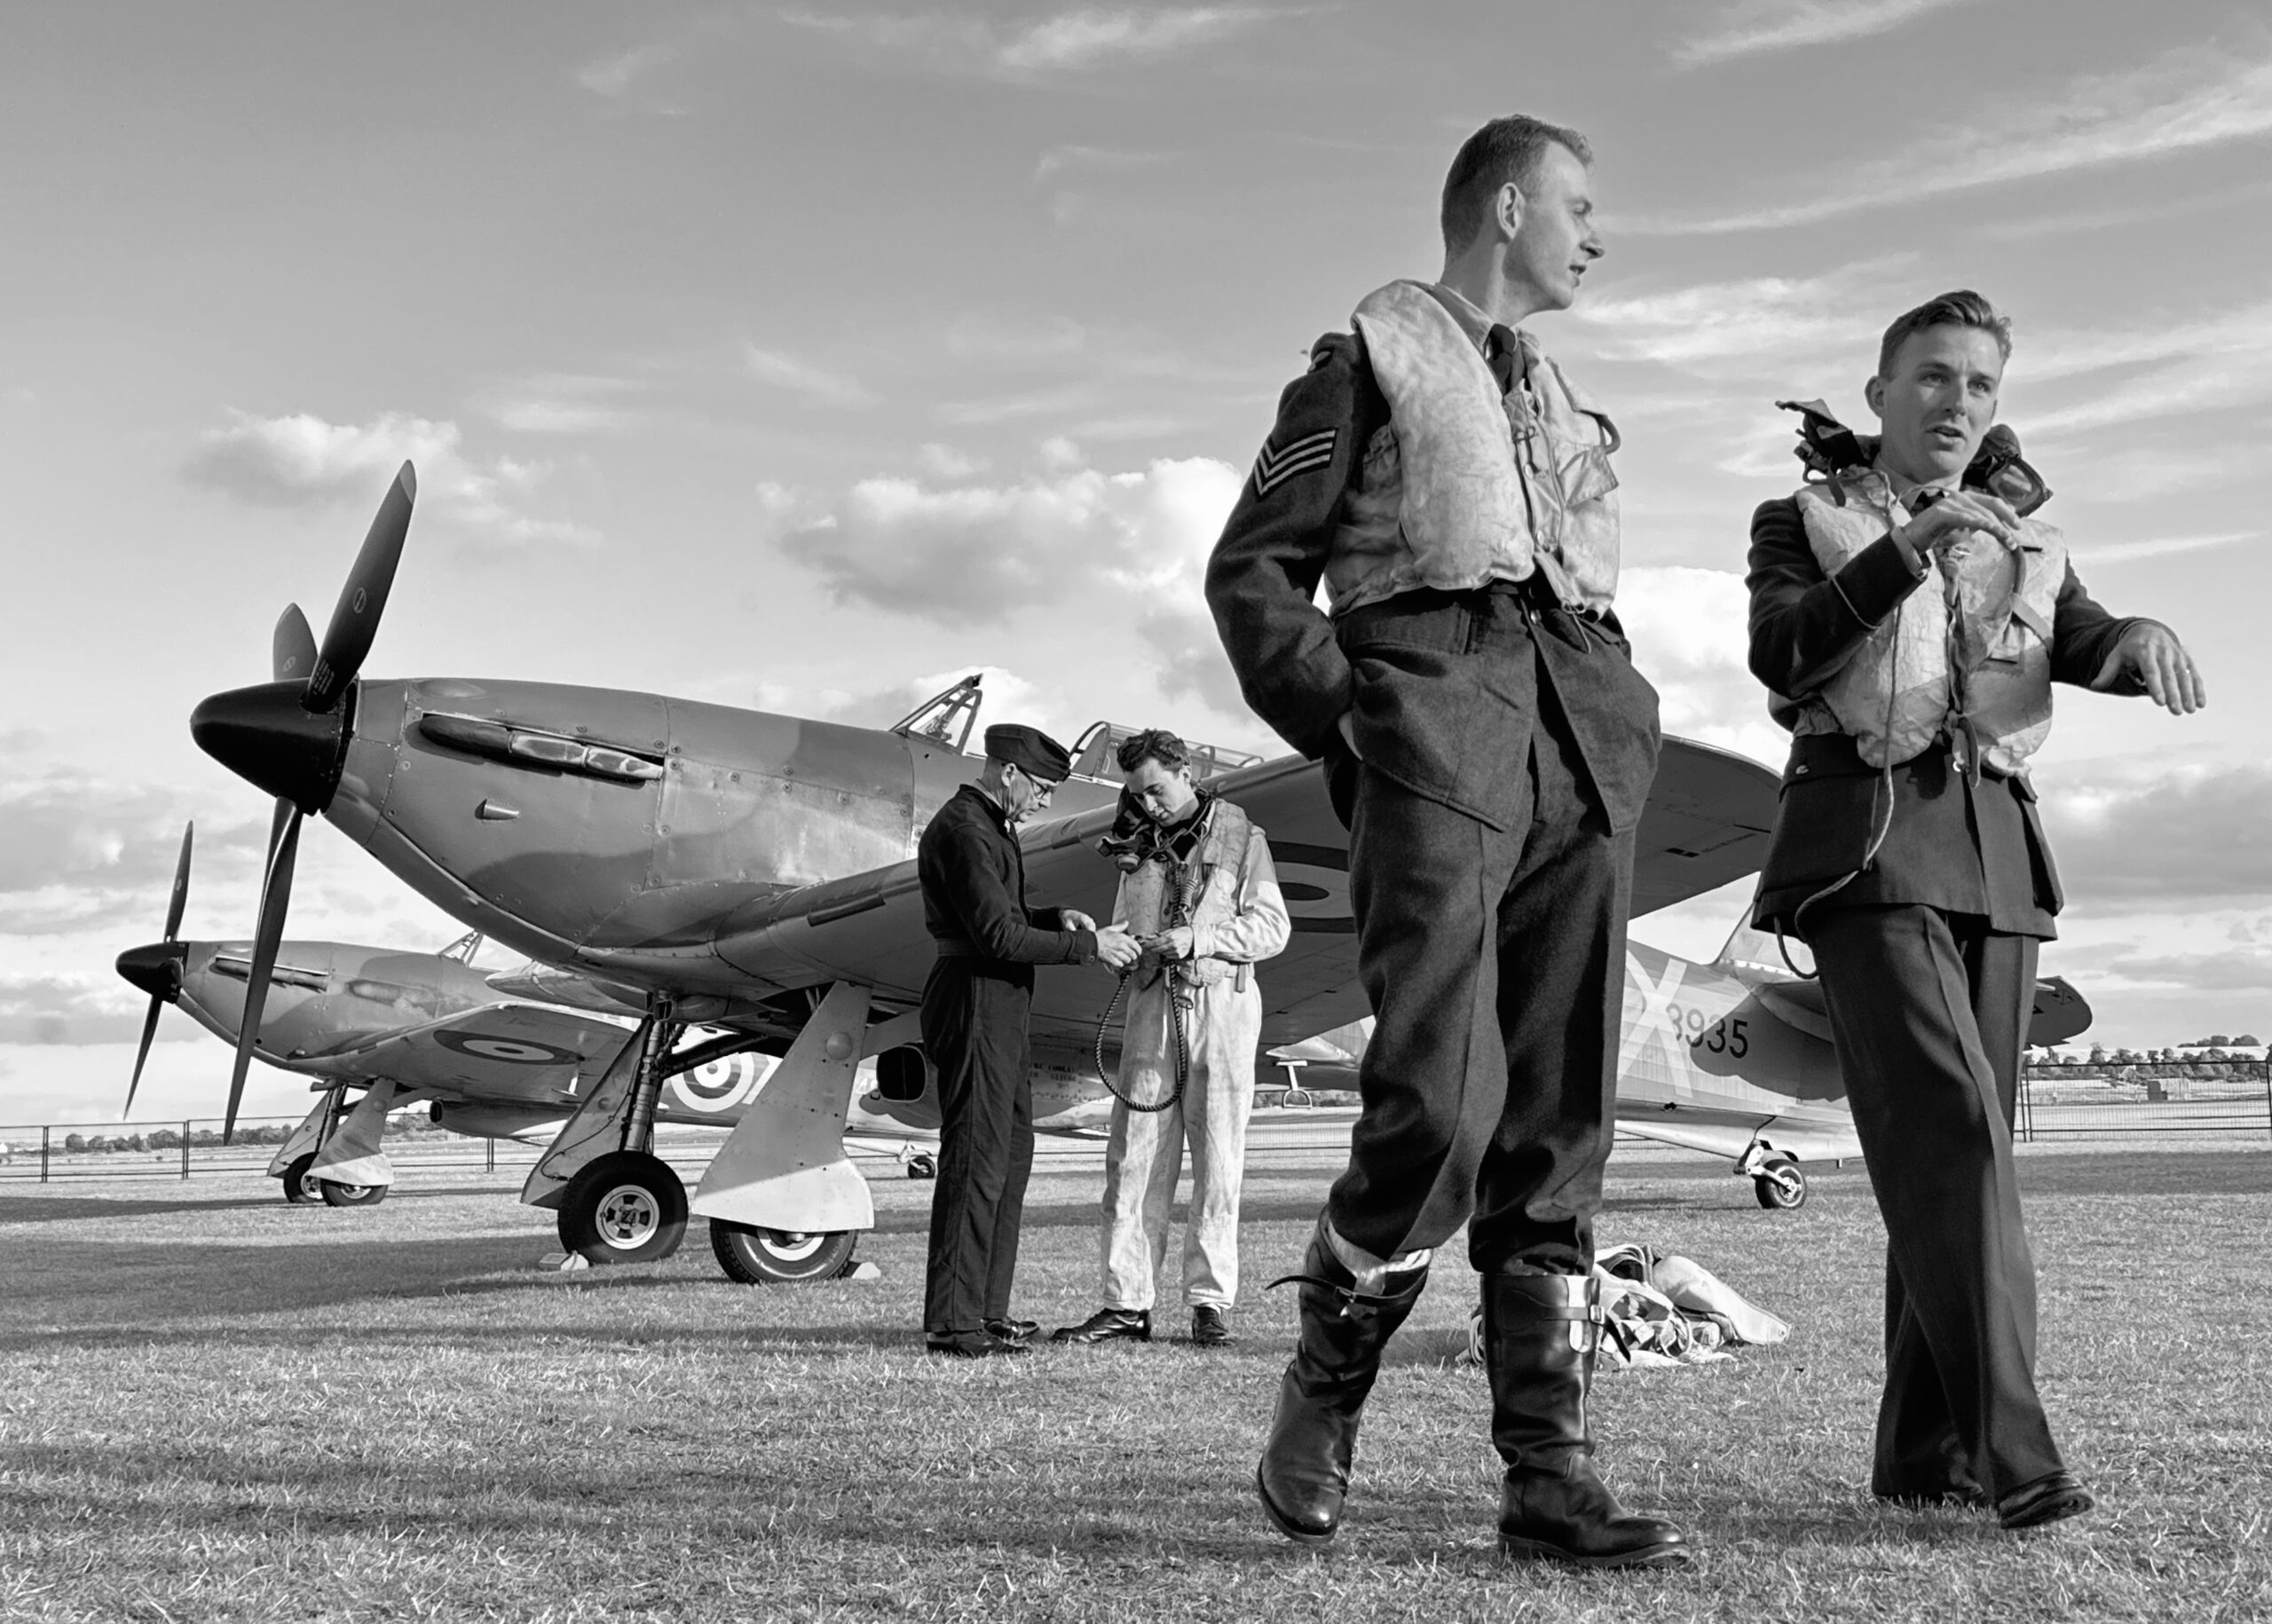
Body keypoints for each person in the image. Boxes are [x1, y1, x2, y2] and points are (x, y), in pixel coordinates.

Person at [1203, 114, 1684, 1567]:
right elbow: (1253, 574)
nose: (1596, 237)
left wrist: (1627, 719)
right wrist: (1358, 723)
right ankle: (1322, 1386)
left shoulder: (1554, 396)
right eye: (1582, 208)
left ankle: (1550, 1481)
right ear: (1509, 203)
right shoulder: (1362, 366)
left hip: (1583, 758)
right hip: (1439, 745)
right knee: (1444, 1108)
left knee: (1555, 1138)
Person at [1744, 289, 2205, 1530]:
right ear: (1883, 392)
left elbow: (2085, 636)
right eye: (1935, 377)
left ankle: (1921, 1452)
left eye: (1982, 385)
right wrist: (1912, 545)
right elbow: (1783, 654)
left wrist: (2140, 636)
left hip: (1998, 864)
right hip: (1867, 853)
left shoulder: (2032, 538)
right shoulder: (1802, 519)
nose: (1959, 402)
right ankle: (2018, 1452)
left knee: (1945, 1163)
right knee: (1956, 1139)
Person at [1052, 729, 1290, 1350]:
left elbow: (1272, 927)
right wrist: (1114, 942)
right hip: (1153, 1006)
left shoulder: (1242, 838)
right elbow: (1130, 920)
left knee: (1218, 1165)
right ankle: (1126, 1303)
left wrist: (1201, 940)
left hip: (1224, 1006)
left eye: (1156, 790)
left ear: (1184, 772)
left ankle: (1210, 1304)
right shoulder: (1136, 846)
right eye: (1139, 794)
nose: (1150, 805)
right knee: (1133, 1160)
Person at [919, 723, 1140, 1359]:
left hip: (998, 999)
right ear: (1008, 773)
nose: (1045, 800)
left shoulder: (987, 825)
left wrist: (1053, 917)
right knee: (976, 1159)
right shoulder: (966, 829)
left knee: (1009, 1154)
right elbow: (995, 937)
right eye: (1041, 788)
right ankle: (954, 1324)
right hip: (977, 994)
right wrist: (1089, 946)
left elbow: (1002, 918)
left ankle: (985, 1311)